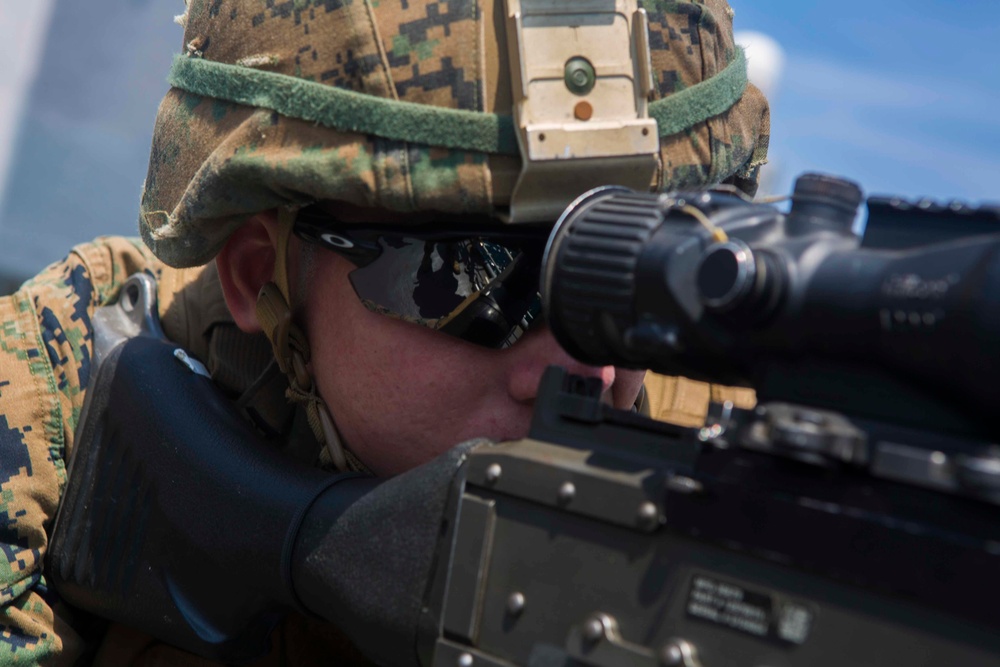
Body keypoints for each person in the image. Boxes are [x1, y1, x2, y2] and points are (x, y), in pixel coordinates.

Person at [0, 0, 769, 664]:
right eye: (469, 275)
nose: (589, 367)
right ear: (257, 271)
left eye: (629, 276)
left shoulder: (742, 460)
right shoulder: (57, 384)